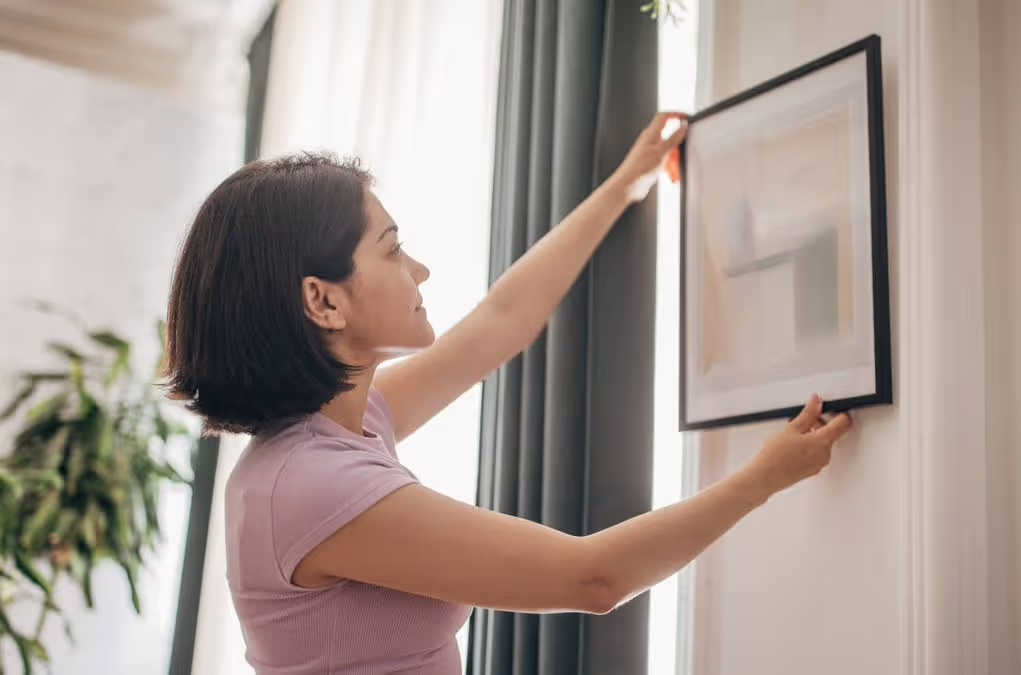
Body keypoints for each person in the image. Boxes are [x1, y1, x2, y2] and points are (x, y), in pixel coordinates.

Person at [163, 112, 853, 675]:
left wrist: (624, 185)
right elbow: (594, 578)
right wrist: (765, 477)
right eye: (393, 249)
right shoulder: (310, 483)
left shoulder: (334, 431)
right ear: (323, 300)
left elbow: (503, 322)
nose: (420, 269)